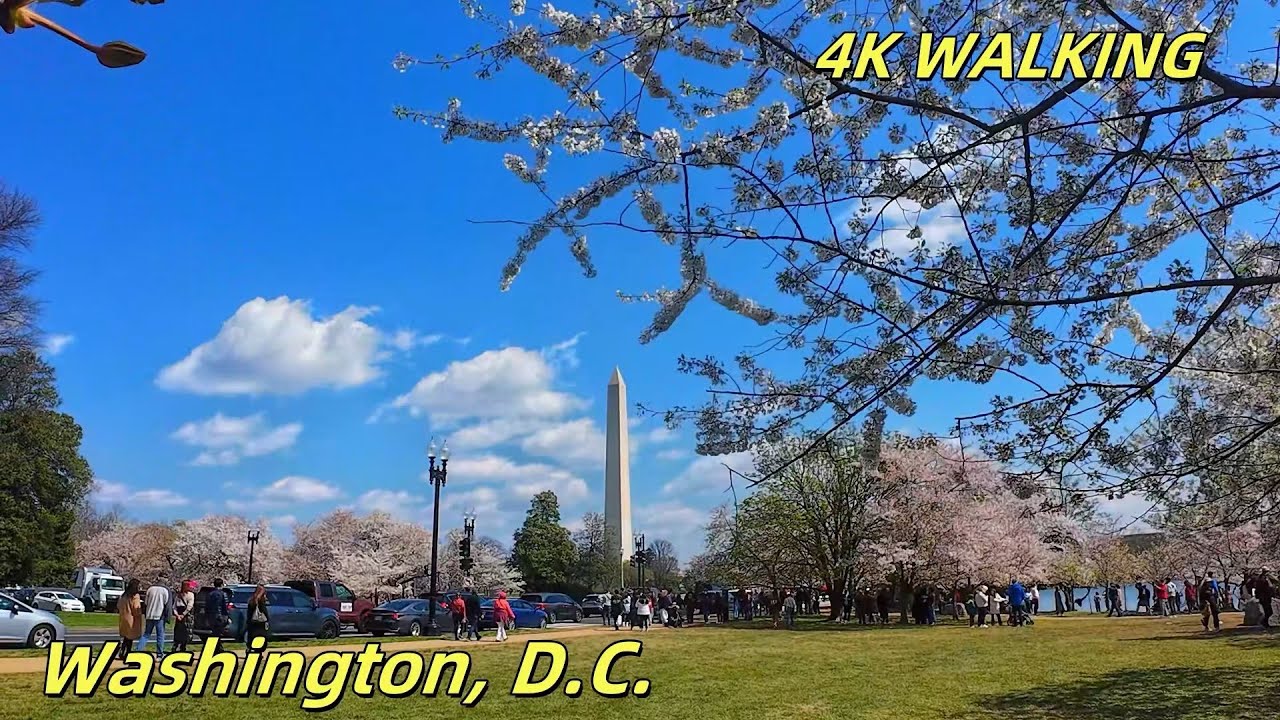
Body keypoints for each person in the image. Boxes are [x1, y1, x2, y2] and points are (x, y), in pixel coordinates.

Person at [138, 581, 172, 659]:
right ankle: (159, 654)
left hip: (149, 614)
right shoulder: (165, 590)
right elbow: (168, 605)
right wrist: (168, 617)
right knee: (160, 635)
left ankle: (138, 650)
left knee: (146, 634)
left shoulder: (150, 589)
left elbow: (145, 603)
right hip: (160, 616)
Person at [116, 579, 144, 660]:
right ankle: (127, 653)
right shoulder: (135, 596)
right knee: (130, 638)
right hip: (132, 618)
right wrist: (139, 613)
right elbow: (136, 608)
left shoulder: (124, 595)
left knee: (126, 637)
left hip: (123, 617)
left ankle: (122, 652)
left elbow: (118, 605)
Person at [172, 580, 195, 653]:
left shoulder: (179, 595)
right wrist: (181, 615)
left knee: (179, 631)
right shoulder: (189, 595)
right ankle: (181, 646)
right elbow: (189, 606)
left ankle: (177, 645)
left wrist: (178, 615)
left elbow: (174, 607)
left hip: (180, 614)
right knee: (184, 631)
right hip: (183, 614)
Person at [245, 585, 270, 650]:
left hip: (252, 623)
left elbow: (249, 613)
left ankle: (251, 649)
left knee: (253, 638)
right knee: (260, 638)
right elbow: (264, 612)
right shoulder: (260, 602)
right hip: (260, 624)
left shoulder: (251, 601)